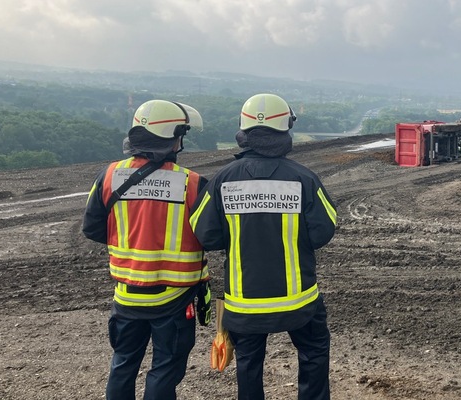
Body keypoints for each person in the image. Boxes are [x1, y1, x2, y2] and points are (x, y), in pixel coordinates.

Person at [190, 93, 337, 400]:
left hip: (244, 304)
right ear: (286, 129)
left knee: (248, 364)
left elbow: (207, 234)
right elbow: (324, 231)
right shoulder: (304, 179)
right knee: (314, 352)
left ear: (244, 131)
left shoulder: (222, 181)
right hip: (299, 301)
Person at [82, 99, 211, 399]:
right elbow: (212, 236)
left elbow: (92, 228)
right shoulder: (191, 183)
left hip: (126, 296)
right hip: (175, 299)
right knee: (164, 370)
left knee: (123, 364)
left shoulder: (110, 176)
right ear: (173, 138)